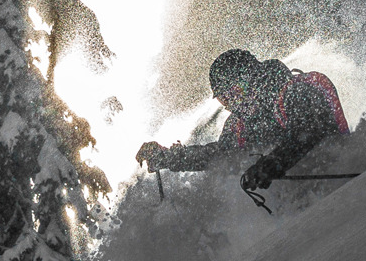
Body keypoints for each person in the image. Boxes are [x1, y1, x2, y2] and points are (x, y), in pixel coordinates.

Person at [136, 49, 349, 191]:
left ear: (254, 78)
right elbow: (217, 155)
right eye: (224, 98)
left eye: (235, 92)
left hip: (341, 179)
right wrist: (170, 158)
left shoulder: (295, 90)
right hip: (301, 200)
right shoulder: (240, 124)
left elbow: (308, 132)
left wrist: (273, 163)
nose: (232, 104)